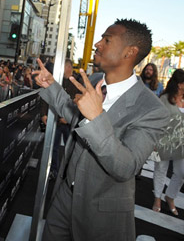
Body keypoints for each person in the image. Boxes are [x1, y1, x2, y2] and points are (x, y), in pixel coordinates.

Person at [35, 19, 169, 240]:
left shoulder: (151, 109)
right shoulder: (94, 80)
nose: (97, 43)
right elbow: (74, 117)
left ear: (130, 52)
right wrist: (50, 86)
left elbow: (126, 166)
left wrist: (96, 117)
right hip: (64, 197)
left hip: (101, 216)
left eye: (107, 40)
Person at [152, 69, 184, 216]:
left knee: (181, 172)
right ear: (179, 84)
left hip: (182, 142)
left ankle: (170, 196)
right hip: (164, 140)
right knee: (160, 170)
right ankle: (157, 198)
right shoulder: (165, 98)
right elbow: (157, 120)